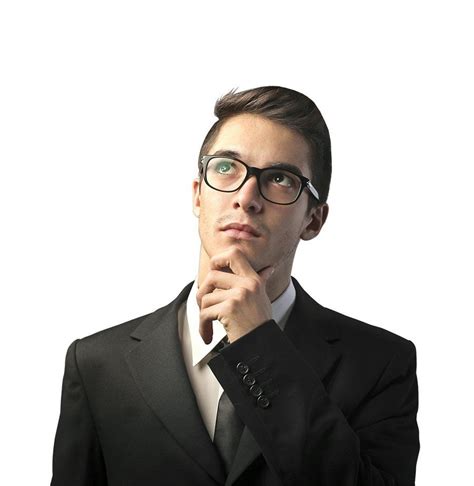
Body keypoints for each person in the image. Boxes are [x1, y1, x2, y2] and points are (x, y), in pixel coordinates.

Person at [51, 86, 419, 486]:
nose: (246, 197)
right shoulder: (97, 364)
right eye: (226, 167)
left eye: (279, 178)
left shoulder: (382, 364)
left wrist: (261, 345)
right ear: (198, 195)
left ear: (313, 220)